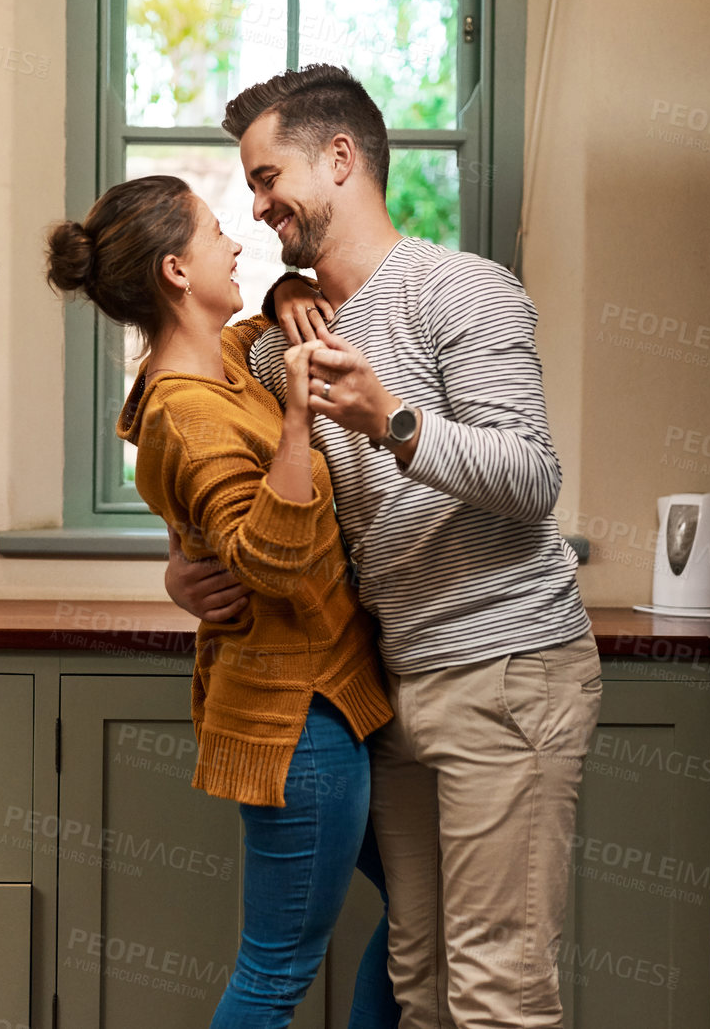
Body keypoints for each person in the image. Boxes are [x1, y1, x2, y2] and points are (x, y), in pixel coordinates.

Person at [165, 64, 602, 1029]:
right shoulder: (286, 339)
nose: (258, 201)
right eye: (250, 185)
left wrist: (390, 418)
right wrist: (183, 567)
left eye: (270, 176)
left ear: (341, 157)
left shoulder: (464, 288)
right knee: (421, 979)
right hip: (395, 686)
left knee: (499, 989)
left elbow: (532, 478)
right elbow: (185, 408)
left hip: (506, 670)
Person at [45, 174, 400, 1029]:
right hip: (295, 722)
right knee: (275, 973)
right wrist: (298, 423)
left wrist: (284, 292)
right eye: (214, 233)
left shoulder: (220, 361)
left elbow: (252, 334)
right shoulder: (188, 409)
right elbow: (271, 563)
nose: (237, 241)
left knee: (424, 917)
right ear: (175, 270)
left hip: (321, 702)